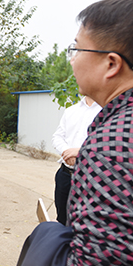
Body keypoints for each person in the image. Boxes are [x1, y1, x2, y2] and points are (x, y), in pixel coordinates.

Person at [0, 0, 133, 266]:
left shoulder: (111, 146)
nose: (72, 60)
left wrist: (47, 236)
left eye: (77, 49)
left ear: (111, 64)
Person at [51, 95, 101, 224]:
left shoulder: (106, 111)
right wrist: (66, 152)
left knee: (85, 221)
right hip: (65, 174)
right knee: (62, 218)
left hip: (90, 177)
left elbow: (107, 142)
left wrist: (79, 152)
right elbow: (58, 136)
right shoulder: (71, 110)